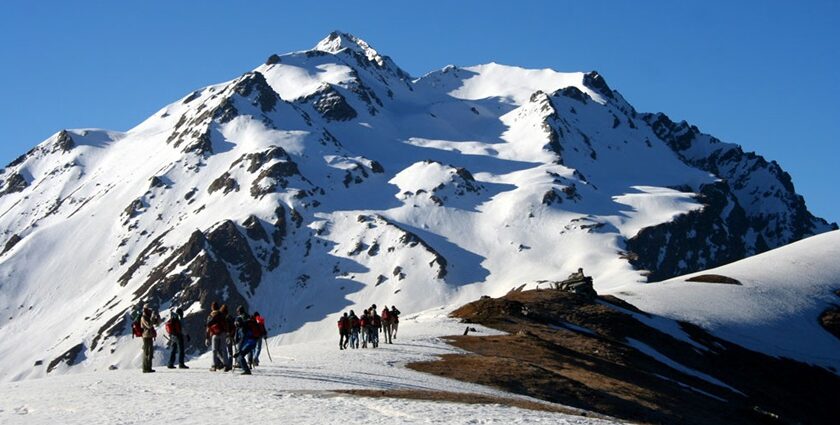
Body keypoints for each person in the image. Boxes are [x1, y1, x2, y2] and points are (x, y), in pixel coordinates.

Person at [233, 306, 258, 375]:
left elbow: (242, 339)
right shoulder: (246, 323)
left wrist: (238, 351)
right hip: (252, 342)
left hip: (249, 343)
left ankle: (247, 370)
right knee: (241, 355)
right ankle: (248, 366)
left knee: (240, 356)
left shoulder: (242, 329)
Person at [205, 302, 228, 371]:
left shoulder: (211, 315)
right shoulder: (221, 314)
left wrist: (207, 337)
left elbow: (208, 327)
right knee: (224, 349)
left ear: (212, 307)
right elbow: (226, 324)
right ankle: (226, 364)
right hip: (223, 333)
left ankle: (214, 365)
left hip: (214, 334)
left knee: (214, 350)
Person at [140, 304, 159, 373]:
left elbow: (157, 323)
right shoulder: (144, 317)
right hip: (146, 336)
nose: (150, 310)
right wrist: (153, 317)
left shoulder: (148, 316)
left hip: (149, 336)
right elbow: (149, 325)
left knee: (150, 352)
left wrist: (157, 317)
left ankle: (149, 368)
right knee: (147, 352)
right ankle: (145, 368)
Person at [220, 304, 235, 370]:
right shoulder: (230, 317)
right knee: (230, 351)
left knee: (223, 350)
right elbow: (234, 326)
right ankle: (230, 364)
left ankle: (224, 364)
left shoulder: (222, 318)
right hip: (230, 336)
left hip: (223, 335)